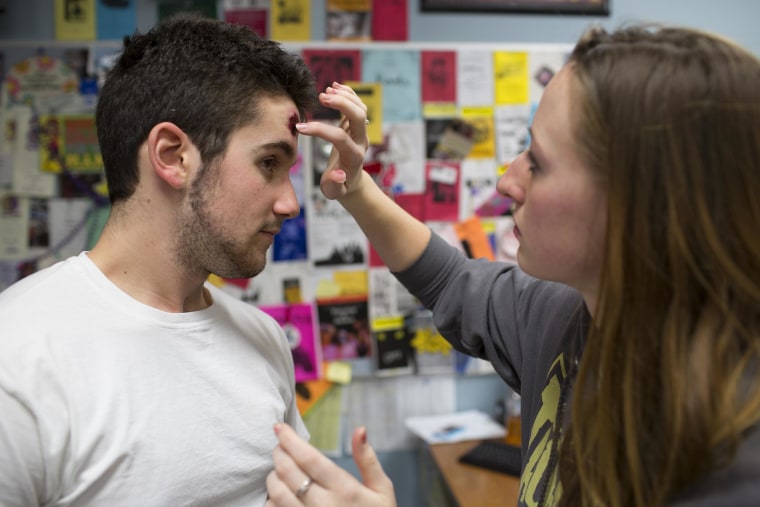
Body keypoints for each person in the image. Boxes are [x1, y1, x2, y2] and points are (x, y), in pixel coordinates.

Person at [265, 24, 760, 507]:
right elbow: (449, 279)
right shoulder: (564, 316)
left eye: (538, 163)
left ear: (642, 203)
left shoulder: (732, 460)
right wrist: (355, 186)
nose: (507, 183)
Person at [0, 13, 318, 506]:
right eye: (269, 164)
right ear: (172, 156)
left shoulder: (263, 337)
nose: (289, 203)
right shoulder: (18, 357)